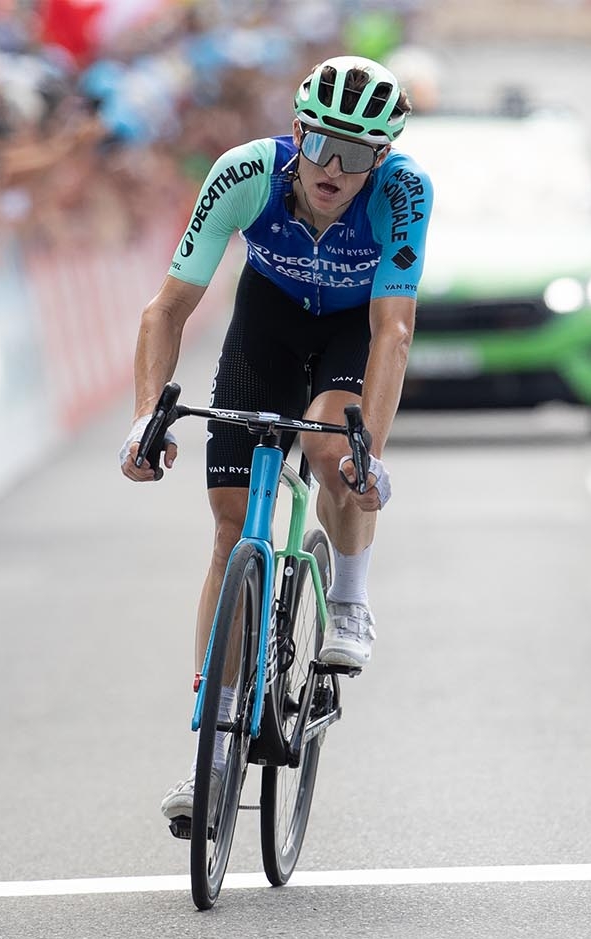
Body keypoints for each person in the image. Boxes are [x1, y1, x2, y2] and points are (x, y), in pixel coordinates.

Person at [117, 55, 432, 823]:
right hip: (269, 322)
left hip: (353, 330)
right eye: (321, 144)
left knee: (332, 454)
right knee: (230, 528)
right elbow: (166, 309)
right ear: (297, 132)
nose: (334, 169)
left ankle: (348, 598)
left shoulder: (403, 192)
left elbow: (392, 332)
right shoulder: (244, 173)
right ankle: (212, 752)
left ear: (383, 157)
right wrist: (147, 414)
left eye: (356, 154)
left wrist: (368, 451)